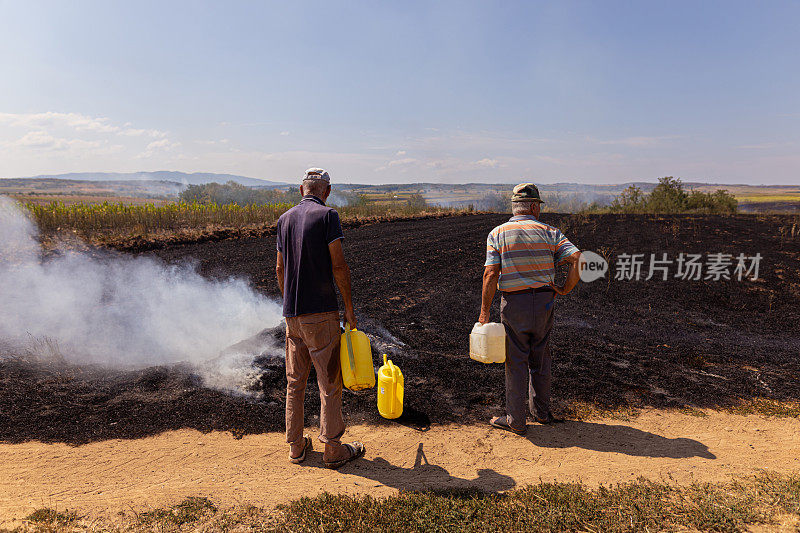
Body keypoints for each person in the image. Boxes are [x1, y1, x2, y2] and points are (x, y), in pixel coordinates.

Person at [276, 167, 365, 468]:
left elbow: (279, 269)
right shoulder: (328, 216)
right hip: (321, 314)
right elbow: (339, 266)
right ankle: (333, 449)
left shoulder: (284, 219)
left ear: (301, 190)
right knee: (329, 383)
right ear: (326, 191)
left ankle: (296, 447)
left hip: (293, 316)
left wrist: (289, 300)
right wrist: (349, 308)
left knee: (294, 382)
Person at [478, 183, 582, 435]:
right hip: (545, 302)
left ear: (515, 207)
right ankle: (542, 413)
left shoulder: (498, 233)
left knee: (516, 362)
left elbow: (491, 273)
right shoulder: (551, 232)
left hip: (515, 304)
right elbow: (578, 258)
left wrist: (484, 312)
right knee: (541, 358)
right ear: (534, 207)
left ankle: (516, 421)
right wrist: (565, 288)